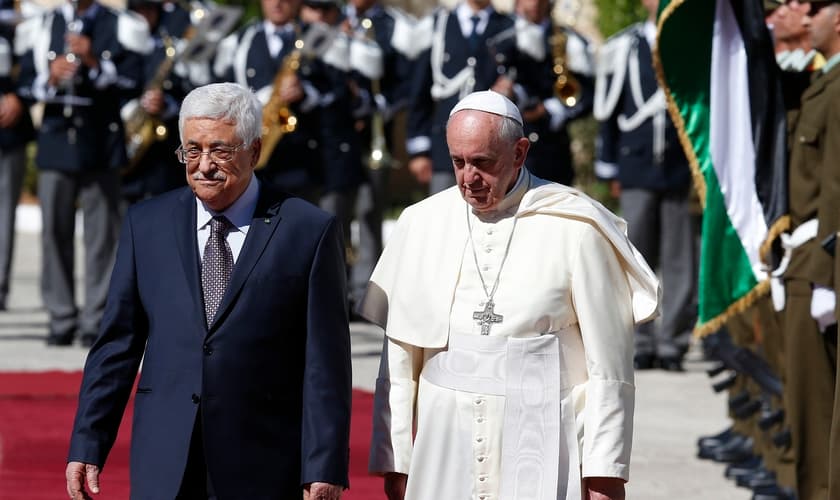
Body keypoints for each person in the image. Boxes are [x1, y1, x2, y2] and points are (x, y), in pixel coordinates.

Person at [360, 90, 659, 500]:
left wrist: (605, 470)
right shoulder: (421, 223)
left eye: (483, 162)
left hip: (543, 435)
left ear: (519, 153)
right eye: (457, 162)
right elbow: (398, 358)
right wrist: (394, 458)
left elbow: (609, 364)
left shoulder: (575, 225)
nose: (467, 178)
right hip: (444, 440)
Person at [64, 82, 351, 500]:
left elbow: (325, 362)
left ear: (254, 151)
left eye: (220, 150)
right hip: (165, 458)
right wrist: (88, 443)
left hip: (263, 462)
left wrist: (324, 464)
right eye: (192, 150)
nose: (204, 165)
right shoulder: (147, 224)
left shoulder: (308, 230)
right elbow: (116, 346)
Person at [16, 0, 150, 346]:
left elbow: (132, 81)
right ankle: (60, 317)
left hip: (100, 145)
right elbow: (27, 86)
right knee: (54, 235)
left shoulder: (119, 24)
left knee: (102, 237)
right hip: (57, 142)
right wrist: (50, 76)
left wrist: (92, 60)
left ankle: (95, 319)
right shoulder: (43, 24)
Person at [593, 0, 697, 371]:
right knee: (634, 258)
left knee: (680, 258)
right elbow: (609, 109)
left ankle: (673, 343)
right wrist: (608, 166)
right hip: (635, 164)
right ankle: (640, 340)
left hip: (678, 165)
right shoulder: (625, 46)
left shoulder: (690, 42)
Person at [782, 2, 840, 498]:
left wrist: (826, 273)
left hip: (823, 260)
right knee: (807, 404)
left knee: (817, 404)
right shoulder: (825, 83)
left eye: (813, 8)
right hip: (806, 253)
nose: (803, 18)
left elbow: (836, 185)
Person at [405, 0, 520, 194]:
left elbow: (528, 81)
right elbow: (420, 93)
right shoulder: (438, 25)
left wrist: (513, 91)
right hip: (444, 150)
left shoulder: (511, 26)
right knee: (443, 218)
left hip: (493, 151)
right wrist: (419, 151)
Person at [513, 0, 594, 186]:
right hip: (512, 147)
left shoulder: (568, 40)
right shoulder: (504, 38)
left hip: (554, 148)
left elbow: (587, 96)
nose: (534, 4)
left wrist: (550, 109)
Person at [0, 0, 35, 312]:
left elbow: (33, 62)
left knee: (3, 213)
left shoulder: (27, 15)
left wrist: (19, 97)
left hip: (8, 131)